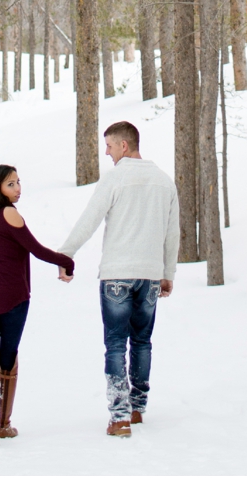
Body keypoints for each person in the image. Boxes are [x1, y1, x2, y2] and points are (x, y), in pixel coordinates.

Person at [56, 120, 180, 436]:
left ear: (124, 145)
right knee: (142, 341)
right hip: (150, 275)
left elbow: (89, 220)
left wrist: (65, 254)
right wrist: (167, 274)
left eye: (109, 146)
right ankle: (137, 407)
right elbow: (172, 233)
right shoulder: (165, 181)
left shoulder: (114, 179)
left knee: (115, 344)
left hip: (116, 275)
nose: (107, 153)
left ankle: (119, 416)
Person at [0, 164, 76, 450]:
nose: (17, 189)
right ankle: (3, 425)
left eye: (18, 182)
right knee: (7, 357)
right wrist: (67, 261)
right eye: (10, 184)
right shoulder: (9, 213)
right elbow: (36, 249)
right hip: (13, 299)